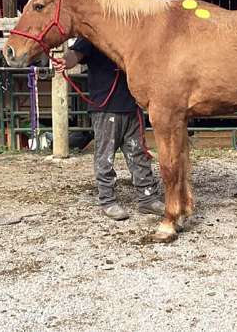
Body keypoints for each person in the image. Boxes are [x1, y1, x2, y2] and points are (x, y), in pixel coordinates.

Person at [54, 37, 164, 220]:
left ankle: (147, 198)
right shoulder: (92, 35)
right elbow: (76, 53)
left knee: (139, 154)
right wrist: (65, 61)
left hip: (132, 104)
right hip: (105, 107)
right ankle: (107, 200)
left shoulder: (131, 33)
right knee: (105, 156)